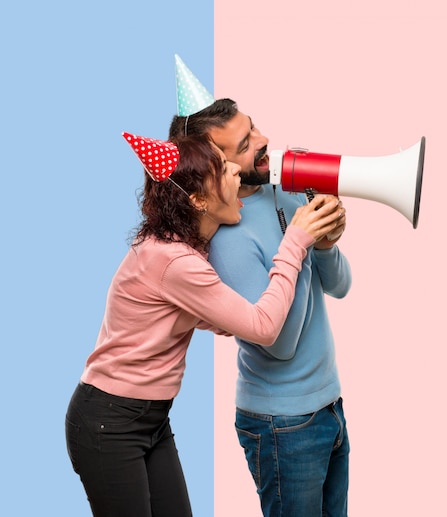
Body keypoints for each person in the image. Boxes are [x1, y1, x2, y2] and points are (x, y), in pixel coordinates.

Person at [65, 131, 344, 517]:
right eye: (222, 168)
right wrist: (295, 241)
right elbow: (264, 328)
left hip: (151, 418)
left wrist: (227, 316)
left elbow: (178, 314)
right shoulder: (175, 261)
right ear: (197, 199)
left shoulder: (181, 248)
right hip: (110, 422)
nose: (234, 169)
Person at [169, 99, 352, 517]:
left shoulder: (283, 192)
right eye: (245, 144)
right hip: (282, 424)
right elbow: (280, 342)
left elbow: (341, 286)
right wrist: (301, 242)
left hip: (329, 405)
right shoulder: (227, 236)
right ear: (217, 165)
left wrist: (326, 243)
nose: (265, 142)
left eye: (254, 129)